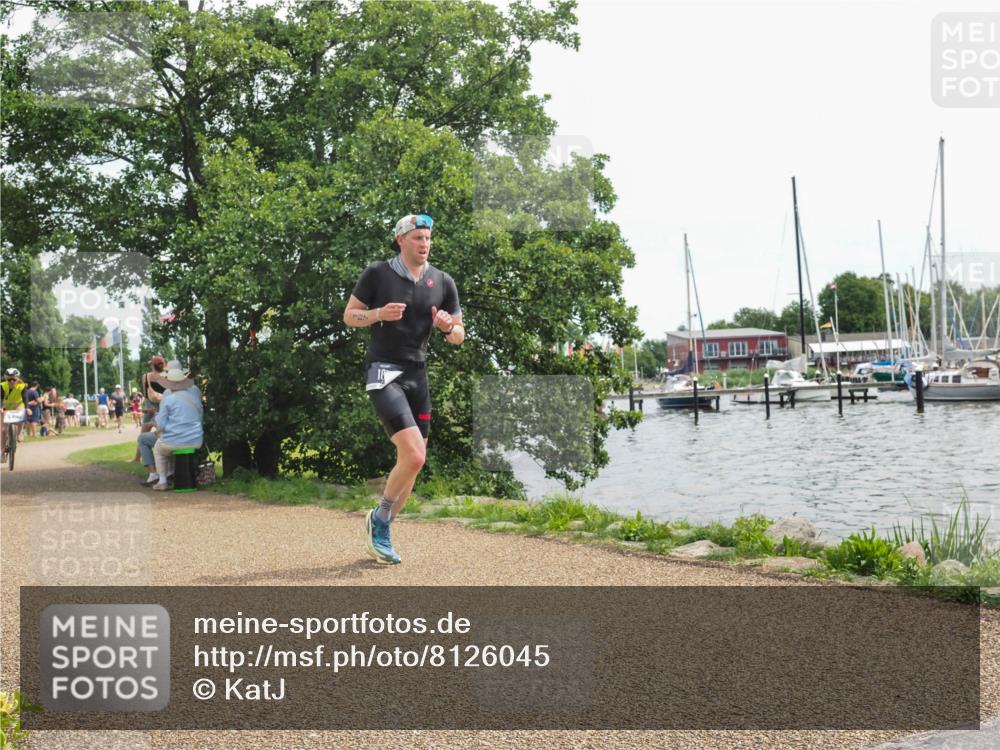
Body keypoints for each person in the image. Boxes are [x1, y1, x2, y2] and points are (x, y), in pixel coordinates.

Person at [343, 213, 463, 564]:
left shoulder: (442, 281)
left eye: (427, 239)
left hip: (418, 376)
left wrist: (445, 327)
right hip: (384, 372)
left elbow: (458, 335)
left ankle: (383, 530)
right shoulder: (378, 273)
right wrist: (378, 314)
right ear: (400, 240)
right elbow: (350, 316)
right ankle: (379, 518)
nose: (424, 245)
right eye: (417, 239)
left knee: (412, 463)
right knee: (414, 455)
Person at [144, 361, 204, 491]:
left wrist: (162, 431)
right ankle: (174, 475)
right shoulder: (194, 395)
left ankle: (163, 481)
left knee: (158, 450)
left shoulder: (168, 398)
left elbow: (161, 424)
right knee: (168, 443)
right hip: (197, 439)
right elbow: (200, 416)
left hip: (175, 440)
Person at [1, 368, 28, 455]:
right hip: (5, 408)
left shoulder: (22, 386)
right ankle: (2, 450)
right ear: (6, 378)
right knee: (3, 430)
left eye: (14, 379)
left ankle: (20, 433)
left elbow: (25, 398)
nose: (12, 381)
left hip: (18, 406)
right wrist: (1, 407)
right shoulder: (2, 386)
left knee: (22, 412)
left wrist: (27, 408)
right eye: (9, 379)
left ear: (17, 379)